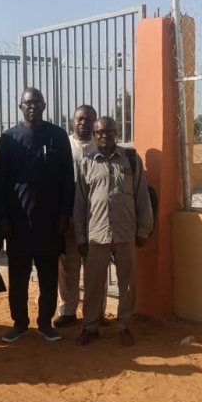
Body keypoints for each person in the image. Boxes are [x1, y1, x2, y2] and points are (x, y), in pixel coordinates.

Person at [0, 86, 74, 342]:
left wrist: (64, 214)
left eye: (37, 102)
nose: (33, 107)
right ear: (21, 108)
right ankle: (19, 323)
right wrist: (3, 218)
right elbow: (1, 181)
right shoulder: (9, 139)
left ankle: (45, 323)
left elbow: (67, 180)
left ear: (44, 106)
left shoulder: (58, 136)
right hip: (18, 224)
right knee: (18, 278)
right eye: (28, 103)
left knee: (48, 278)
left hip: (50, 224)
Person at [73, 116, 154, 347]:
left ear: (116, 132)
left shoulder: (130, 159)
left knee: (127, 283)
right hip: (96, 233)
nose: (104, 135)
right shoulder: (86, 162)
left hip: (125, 232)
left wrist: (142, 230)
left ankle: (125, 326)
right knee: (92, 283)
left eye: (109, 131)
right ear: (94, 135)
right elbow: (79, 203)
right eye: (99, 132)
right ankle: (90, 327)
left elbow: (142, 197)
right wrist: (80, 235)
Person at [54, 104, 98, 329]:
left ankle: (95, 312)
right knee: (67, 264)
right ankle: (68, 310)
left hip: (95, 217)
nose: (84, 123)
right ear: (72, 121)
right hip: (69, 215)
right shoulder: (64, 146)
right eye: (80, 119)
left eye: (89, 120)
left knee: (94, 265)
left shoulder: (101, 147)